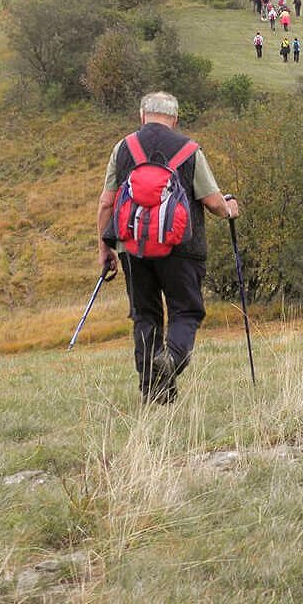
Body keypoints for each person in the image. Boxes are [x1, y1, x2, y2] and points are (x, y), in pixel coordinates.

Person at [95, 92, 238, 404]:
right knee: (186, 311)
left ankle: (154, 394)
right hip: (182, 248)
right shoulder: (189, 149)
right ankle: (172, 358)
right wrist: (230, 209)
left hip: (132, 249)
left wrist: (105, 248)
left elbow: (107, 202)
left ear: (142, 115)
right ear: (175, 119)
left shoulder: (123, 149)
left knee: (145, 316)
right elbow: (213, 203)